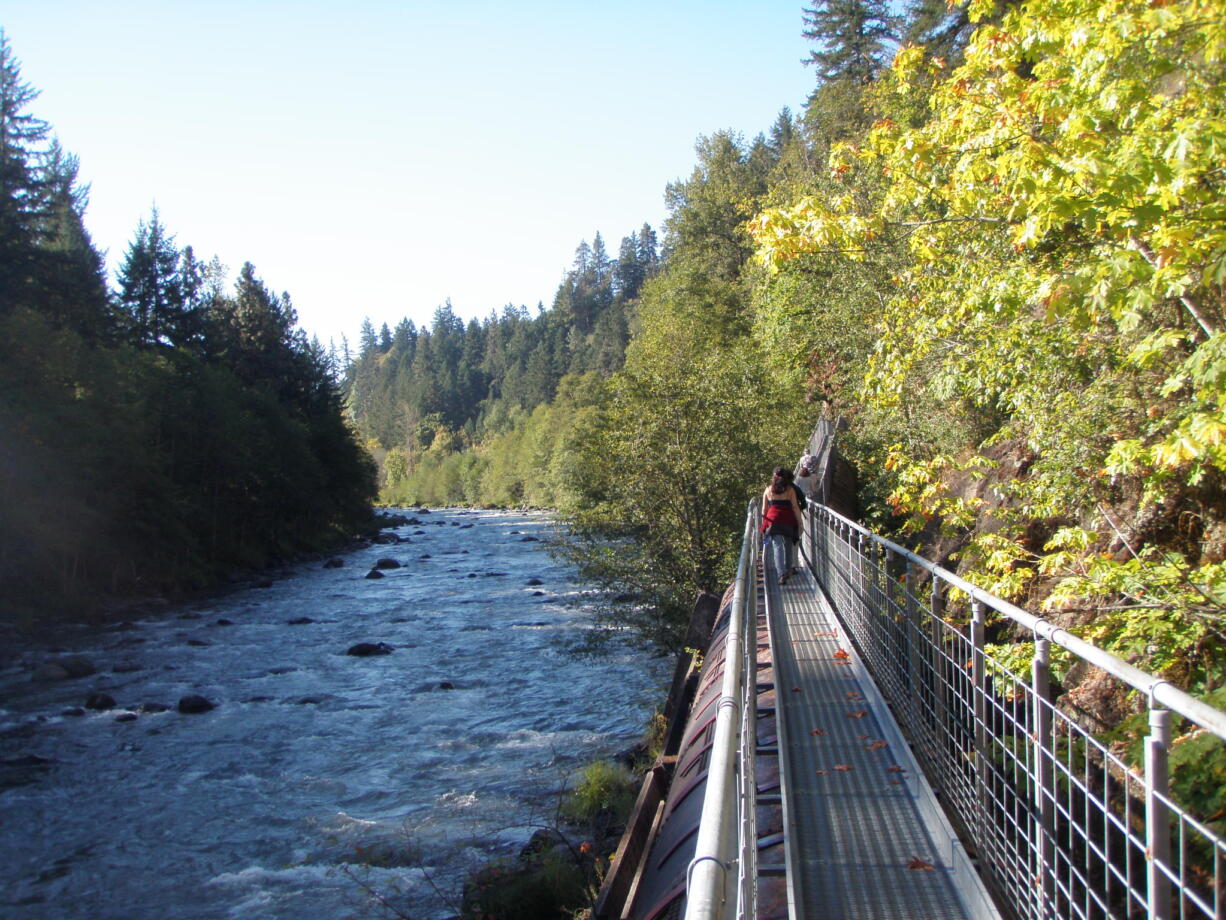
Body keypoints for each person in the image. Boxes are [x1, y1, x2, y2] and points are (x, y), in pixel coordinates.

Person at [761, 466, 803, 585]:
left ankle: (781, 574)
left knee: (777, 546)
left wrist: (764, 524)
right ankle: (789, 569)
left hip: (773, 521)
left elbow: (764, 510)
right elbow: (795, 507)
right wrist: (800, 523)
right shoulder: (790, 490)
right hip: (788, 520)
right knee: (789, 545)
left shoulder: (768, 490)